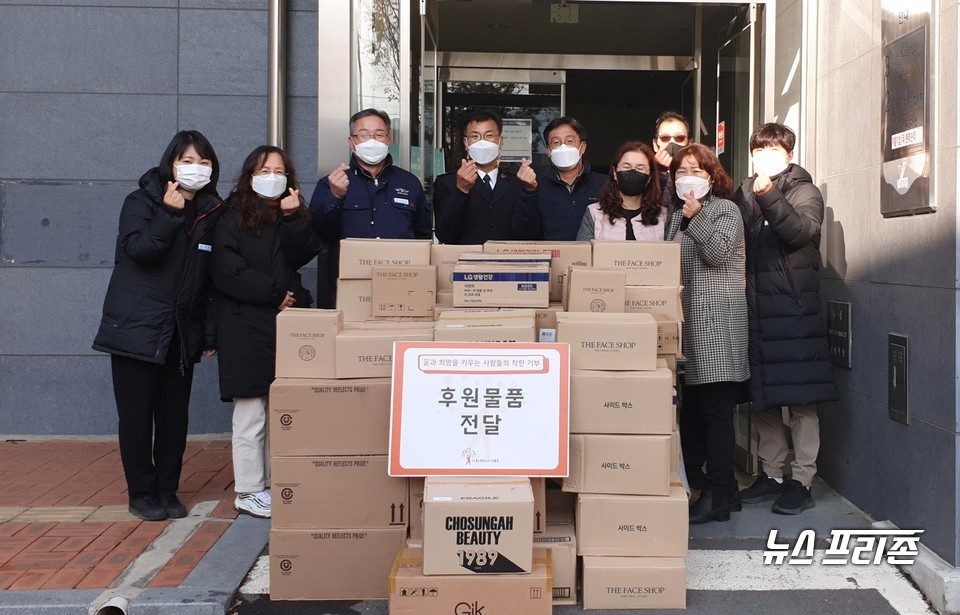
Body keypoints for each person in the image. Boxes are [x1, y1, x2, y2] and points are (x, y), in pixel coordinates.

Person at [93, 131, 225, 521]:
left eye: (204, 162)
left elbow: (211, 281)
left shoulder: (211, 212)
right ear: (171, 164)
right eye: (187, 161)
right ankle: (142, 493)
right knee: (136, 418)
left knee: (173, 419)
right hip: (137, 327)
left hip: (181, 333)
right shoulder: (141, 202)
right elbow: (139, 252)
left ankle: (168, 489)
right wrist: (170, 215)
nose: (196, 169)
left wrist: (209, 334)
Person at [211, 146, 321, 519]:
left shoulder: (292, 212)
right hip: (244, 325)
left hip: (286, 327)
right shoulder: (230, 216)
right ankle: (248, 489)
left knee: (282, 411)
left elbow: (303, 254)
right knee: (250, 413)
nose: (272, 177)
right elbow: (226, 270)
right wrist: (275, 294)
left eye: (279, 171)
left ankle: (278, 484)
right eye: (264, 170)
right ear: (249, 175)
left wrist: (292, 219)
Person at [735, 123, 838, 515]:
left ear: (789, 155)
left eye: (774, 150)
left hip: (794, 313)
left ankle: (802, 480)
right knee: (762, 398)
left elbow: (799, 232)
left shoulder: (805, 191)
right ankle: (772, 473)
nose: (765, 157)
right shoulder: (743, 191)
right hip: (754, 310)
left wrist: (770, 195)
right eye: (759, 150)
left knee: (801, 402)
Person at [664, 143, 749, 524]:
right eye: (682, 171)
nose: (688, 178)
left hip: (717, 325)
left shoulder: (725, 210)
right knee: (695, 413)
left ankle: (717, 494)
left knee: (716, 413)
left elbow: (717, 254)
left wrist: (696, 217)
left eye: (696, 170)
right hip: (687, 327)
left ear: (712, 177)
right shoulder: (673, 217)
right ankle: (723, 491)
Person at [309, 109, 431, 301]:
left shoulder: (409, 182)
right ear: (351, 142)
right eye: (364, 135)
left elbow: (423, 236)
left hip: (402, 286)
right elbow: (318, 234)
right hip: (349, 287)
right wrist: (335, 196)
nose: (372, 141)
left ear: (389, 140)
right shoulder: (331, 182)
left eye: (379, 134)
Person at [433, 109, 541, 244]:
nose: (482, 143)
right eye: (475, 136)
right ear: (466, 143)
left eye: (489, 136)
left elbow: (528, 234)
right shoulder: (447, 183)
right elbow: (445, 236)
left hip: (508, 262)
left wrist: (529, 191)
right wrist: (461, 191)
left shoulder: (517, 183)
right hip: (465, 262)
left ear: (500, 141)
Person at [576, 141, 667, 240]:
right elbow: (583, 253)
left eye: (640, 168)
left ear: (650, 177)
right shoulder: (595, 213)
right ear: (615, 173)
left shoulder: (663, 216)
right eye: (626, 167)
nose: (633, 171)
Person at [539, 117, 607, 240]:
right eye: (556, 143)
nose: (563, 147)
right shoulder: (538, 187)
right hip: (553, 256)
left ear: (582, 147)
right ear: (548, 151)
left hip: (594, 256)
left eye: (570, 141)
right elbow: (524, 231)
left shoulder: (604, 184)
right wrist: (527, 191)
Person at [652, 111, 691, 208]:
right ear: (655, 145)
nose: (672, 142)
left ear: (689, 144)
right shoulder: (646, 176)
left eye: (679, 138)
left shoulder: (700, 174)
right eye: (665, 138)